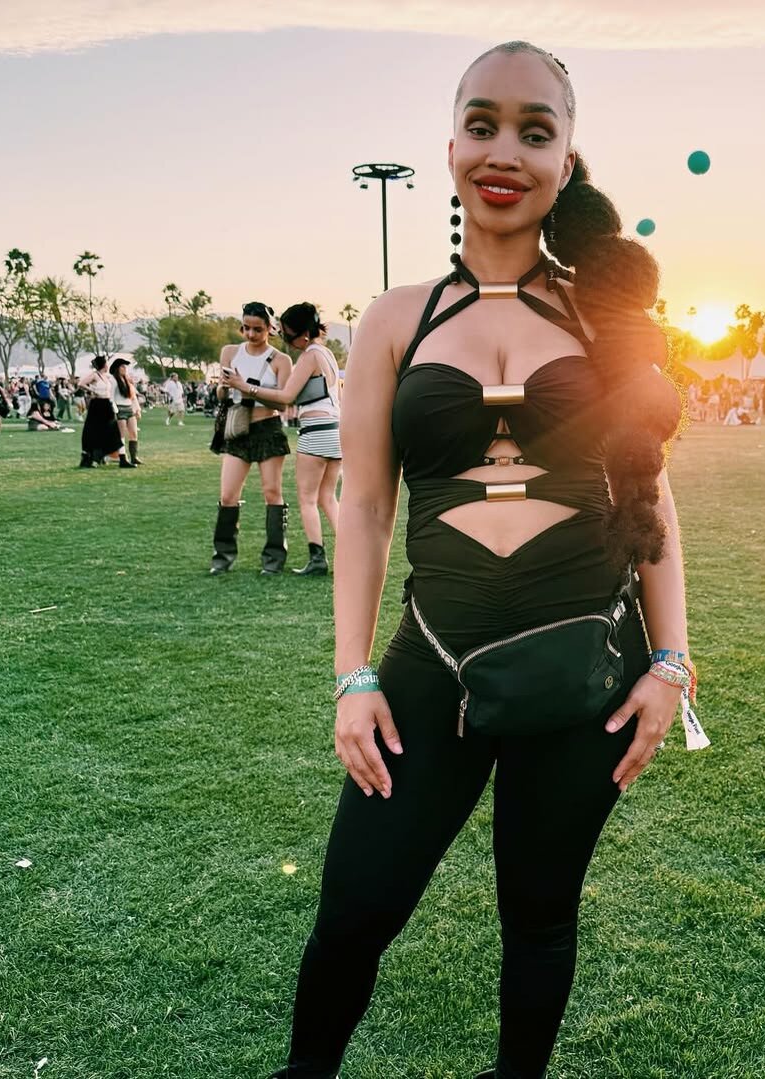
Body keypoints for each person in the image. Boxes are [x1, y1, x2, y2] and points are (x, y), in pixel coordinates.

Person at [273, 42, 696, 1079]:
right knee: (354, 910)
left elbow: (650, 491)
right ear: (451, 146)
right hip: (434, 660)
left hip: (585, 669)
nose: (505, 150)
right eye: (483, 124)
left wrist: (670, 662)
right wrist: (353, 674)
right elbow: (366, 505)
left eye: (534, 131)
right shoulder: (395, 317)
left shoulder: (606, 320)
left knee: (540, 917)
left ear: (566, 160)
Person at [224, 303, 342, 576]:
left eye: (287, 334)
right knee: (327, 497)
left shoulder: (309, 356)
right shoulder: (326, 354)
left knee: (307, 498)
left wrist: (245, 387)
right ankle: (351, 553)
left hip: (315, 429)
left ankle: (317, 558)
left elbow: (286, 396)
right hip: (334, 429)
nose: (285, 339)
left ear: (303, 334)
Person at [210, 302, 293, 575]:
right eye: (246, 328)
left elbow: (283, 403)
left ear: (270, 328)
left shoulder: (281, 360)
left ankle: (274, 558)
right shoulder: (230, 352)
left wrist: (246, 387)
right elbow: (220, 395)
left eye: (257, 329)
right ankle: (222, 556)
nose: (251, 334)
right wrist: (225, 387)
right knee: (228, 494)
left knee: (272, 492)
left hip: (268, 428)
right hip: (238, 428)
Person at [77, 355, 123, 467]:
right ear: (103, 364)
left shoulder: (106, 377)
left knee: (111, 429)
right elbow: (81, 383)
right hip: (97, 404)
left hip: (107, 404)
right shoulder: (95, 375)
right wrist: (92, 390)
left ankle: (105, 454)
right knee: (96, 430)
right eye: (106, 363)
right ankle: (94, 457)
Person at [110, 358, 142, 468]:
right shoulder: (114, 380)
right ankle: (123, 459)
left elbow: (132, 396)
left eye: (125, 367)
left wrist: (137, 409)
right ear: (117, 368)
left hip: (129, 408)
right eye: (122, 366)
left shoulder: (127, 380)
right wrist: (115, 411)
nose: (124, 369)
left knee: (133, 433)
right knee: (121, 434)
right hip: (119, 408)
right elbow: (111, 397)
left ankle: (134, 457)